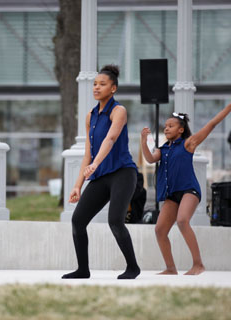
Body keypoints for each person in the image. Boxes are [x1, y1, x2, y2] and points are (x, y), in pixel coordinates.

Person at [141, 93, 231, 275]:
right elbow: (150, 159)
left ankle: (198, 264)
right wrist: (143, 141)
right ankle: (171, 268)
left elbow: (212, 124)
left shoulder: (189, 143)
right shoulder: (164, 149)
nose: (166, 129)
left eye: (171, 126)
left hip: (189, 190)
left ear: (181, 129)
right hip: (172, 194)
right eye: (165, 126)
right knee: (159, 230)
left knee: (182, 221)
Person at [62, 65, 141, 280]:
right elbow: (88, 153)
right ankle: (83, 269)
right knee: (77, 220)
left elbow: (111, 139)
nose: (97, 87)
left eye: (102, 84)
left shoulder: (119, 111)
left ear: (113, 88)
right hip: (101, 176)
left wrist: (96, 164)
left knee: (115, 220)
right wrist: (78, 184)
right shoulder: (90, 116)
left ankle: (133, 267)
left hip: (123, 173)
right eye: (95, 84)